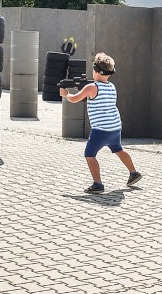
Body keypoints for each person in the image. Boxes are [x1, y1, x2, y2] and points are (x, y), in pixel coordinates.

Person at [60, 52, 142, 193]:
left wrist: (66, 94)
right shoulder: (111, 87)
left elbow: (74, 99)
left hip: (100, 130)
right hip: (115, 128)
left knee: (90, 155)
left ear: (97, 71)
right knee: (118, 149)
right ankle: (133, 173)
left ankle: (98, 184)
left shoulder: (91, 87)